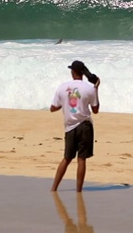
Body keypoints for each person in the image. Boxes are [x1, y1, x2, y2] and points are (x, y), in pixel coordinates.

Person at [50, 60, 100, 192]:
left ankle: (54, 188)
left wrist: (64, 104)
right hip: (85, 126)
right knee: (81, 159)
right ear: (83, 73)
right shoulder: (90, 88)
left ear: (72, 72)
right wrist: (96, 88)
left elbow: (53, 108)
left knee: (67, 158)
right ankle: (78, 190)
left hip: (70, 127)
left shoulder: (62, 87)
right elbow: (95, 110)